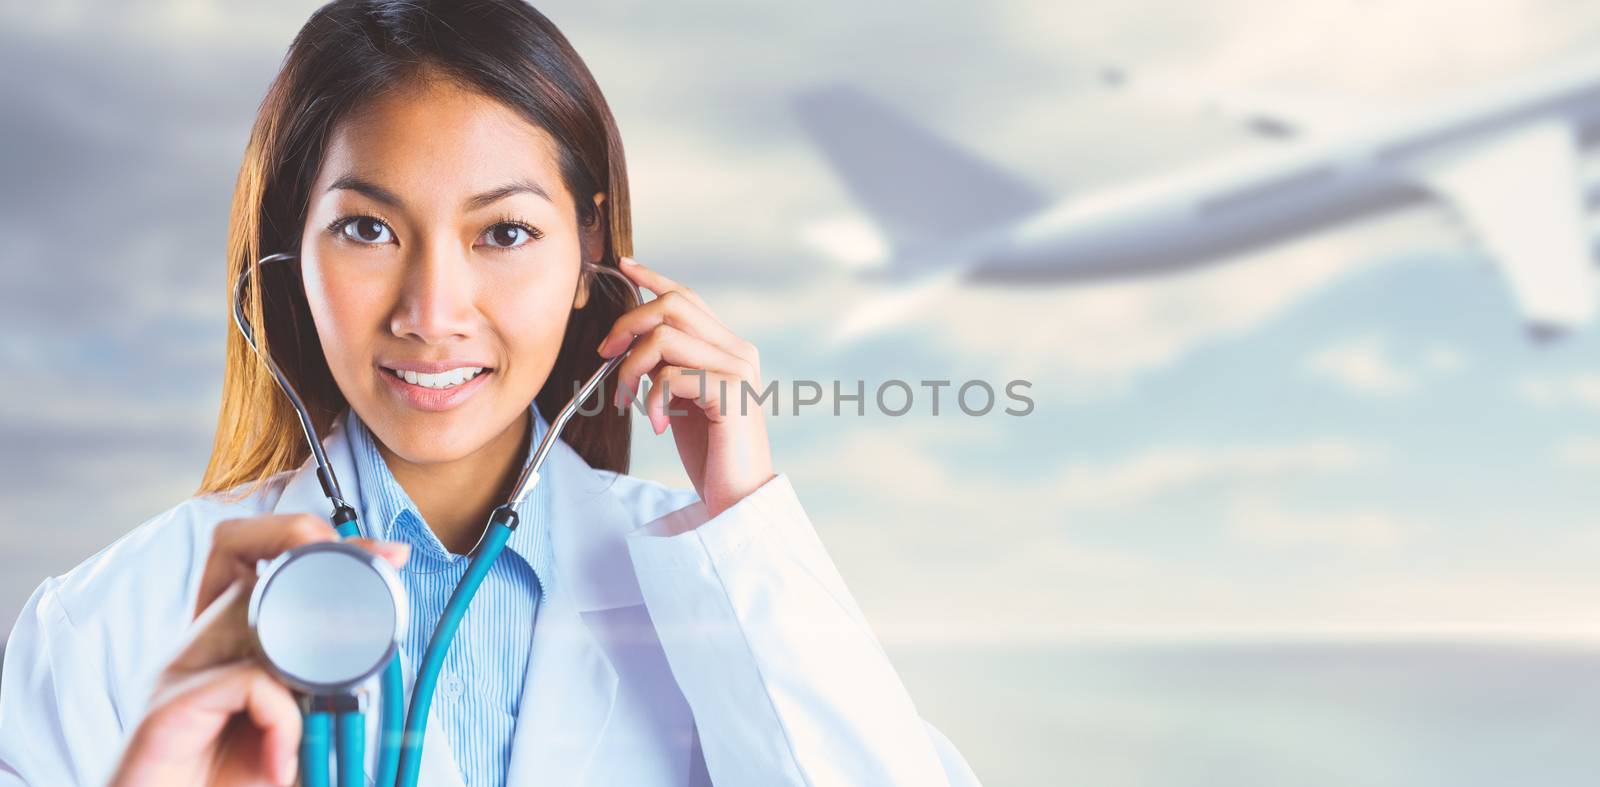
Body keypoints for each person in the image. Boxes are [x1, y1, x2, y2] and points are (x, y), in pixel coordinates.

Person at [0, 1, 982, 786]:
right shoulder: (102, 627)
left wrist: (748, 524)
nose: (432, 311)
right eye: (367, 230)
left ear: (589, 246)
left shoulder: (731, 588)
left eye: (503, 233)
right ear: (292, 245)